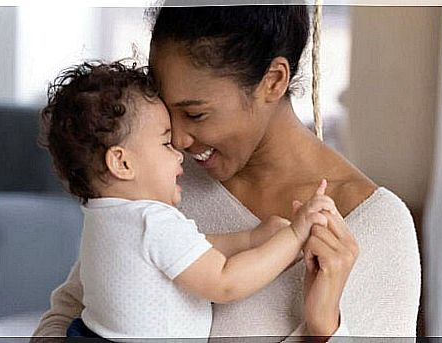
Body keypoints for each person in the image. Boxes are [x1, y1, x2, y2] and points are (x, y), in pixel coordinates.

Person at [33, 5, 421, 340]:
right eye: (167, 116)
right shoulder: (155, 182)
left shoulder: (375, 224)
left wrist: (323, 330)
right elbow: (66, 314)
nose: (181, 140)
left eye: (196, 113)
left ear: (274, 81)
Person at [39, 61, 342, 341]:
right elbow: (225, 281)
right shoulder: (151, 220)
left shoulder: (105, 219)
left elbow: (193, 247)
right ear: (122, 163)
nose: (179, 152)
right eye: (165, 142)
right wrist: (294, 235)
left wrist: (254, 238)